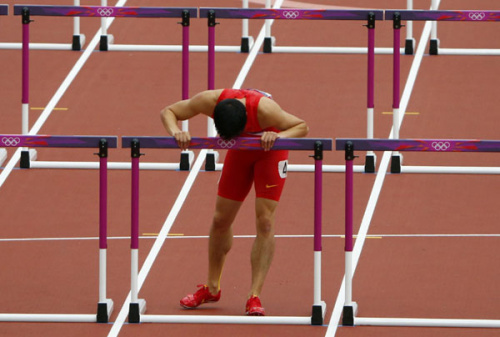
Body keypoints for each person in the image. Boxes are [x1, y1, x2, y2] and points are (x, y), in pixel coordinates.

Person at [160, 88, 308, 316]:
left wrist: (279, 136)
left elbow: (302, 126)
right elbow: (168, 111)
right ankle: (211, 288)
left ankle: (254, 296)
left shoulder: (265, 109)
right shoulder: (210, 100)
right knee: (220, 219)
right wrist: (175, 132)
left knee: (265, 221)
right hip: (239, 150)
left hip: (269, 149)